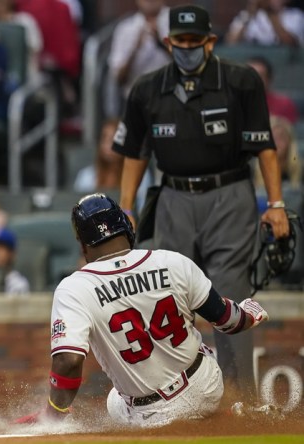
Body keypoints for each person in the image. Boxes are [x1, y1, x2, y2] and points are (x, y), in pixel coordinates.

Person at [112, 4, 289, 403]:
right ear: (167, 42)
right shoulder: (146, 87)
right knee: (168, 296)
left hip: (229, 194)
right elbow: (135, 152)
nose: (187, 47)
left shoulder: (241, 80)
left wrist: (275, 202)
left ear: (210, 41)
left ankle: (240, 399)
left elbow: (266, 147)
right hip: (173, 194)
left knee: (227, 294)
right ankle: (175, 397)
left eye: (195, 41)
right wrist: (125, 206)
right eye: (181, 41)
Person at [15, 194, 269, 427]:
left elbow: (69, 361)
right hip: (205, 385)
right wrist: (248, 314)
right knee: (189, 353)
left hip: (151, 414)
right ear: (127, 227)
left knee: (116, 400)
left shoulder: (74, 287)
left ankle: (205, 419)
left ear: (83, 246)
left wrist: (55, 412)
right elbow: (227, 321)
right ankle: (226, 415)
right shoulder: (172, 261)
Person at [106, 0, 170, 115]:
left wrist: (162, 43)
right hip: (136, 103)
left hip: (171, 101)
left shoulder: (177, 22)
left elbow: (191, 64)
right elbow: (118, 78)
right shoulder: (125, 28)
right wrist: (134, 49)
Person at [225, 0, 304, 47]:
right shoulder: (246, 15)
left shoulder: (296, 15)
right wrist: (250, 13)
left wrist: (270, 12)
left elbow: (289, 43)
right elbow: (231, 42)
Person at [246, 56, 299, 126]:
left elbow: (289, 134)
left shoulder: (284, 105)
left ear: (269, 79)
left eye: (260, 76)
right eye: (249, 75)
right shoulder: (234, 104)